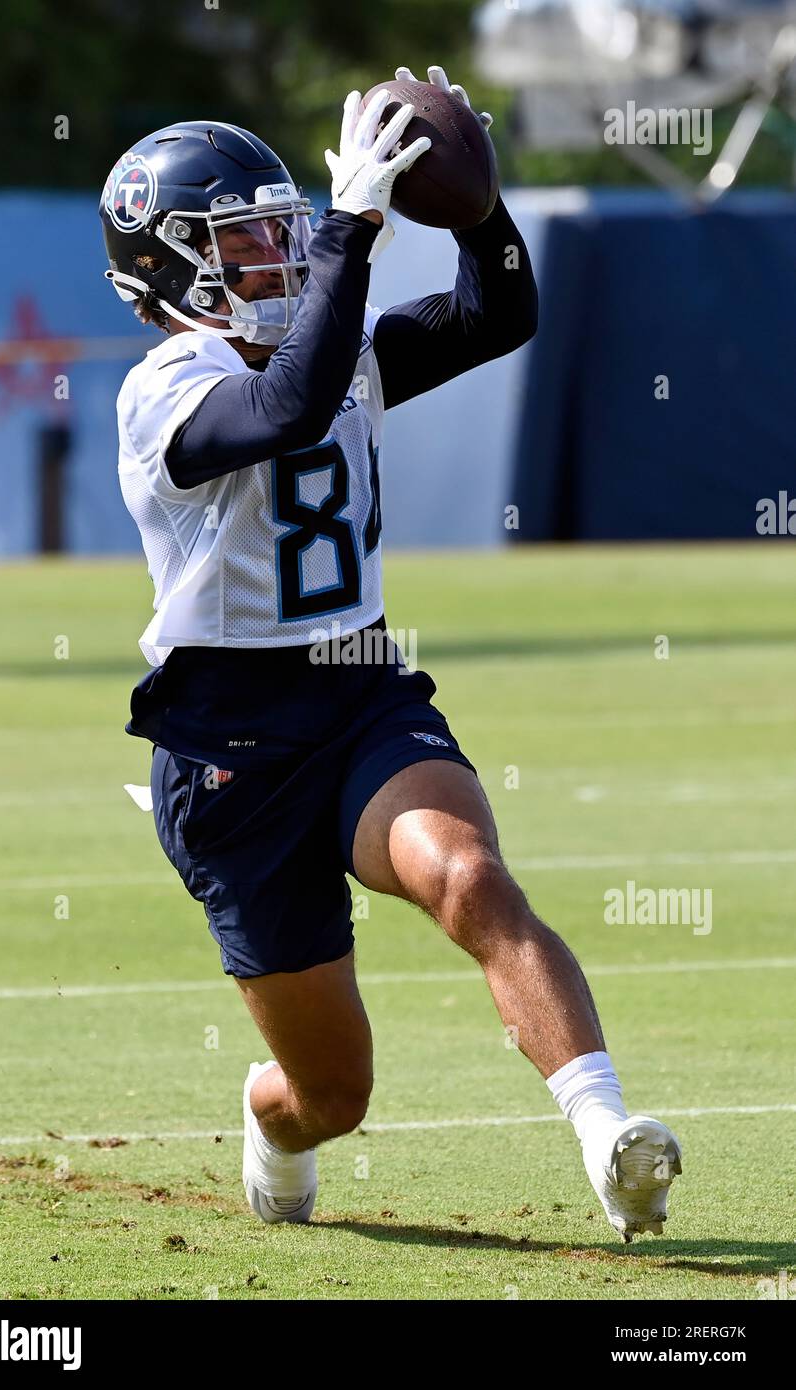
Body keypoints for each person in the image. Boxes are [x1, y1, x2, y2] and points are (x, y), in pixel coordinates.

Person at [99, 65, 681, 1239]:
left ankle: (608, 1132)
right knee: (334, 1092)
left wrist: (478, 211)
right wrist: (347, 233)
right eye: (242, 240)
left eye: (278, 230)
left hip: (357, 690)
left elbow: (498, 314)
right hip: (229, 750)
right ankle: (271, 1119)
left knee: (467, 875)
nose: (272, 254)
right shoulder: (166, 388)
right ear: (164, 267)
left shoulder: (332, 342)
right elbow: (285, 411)